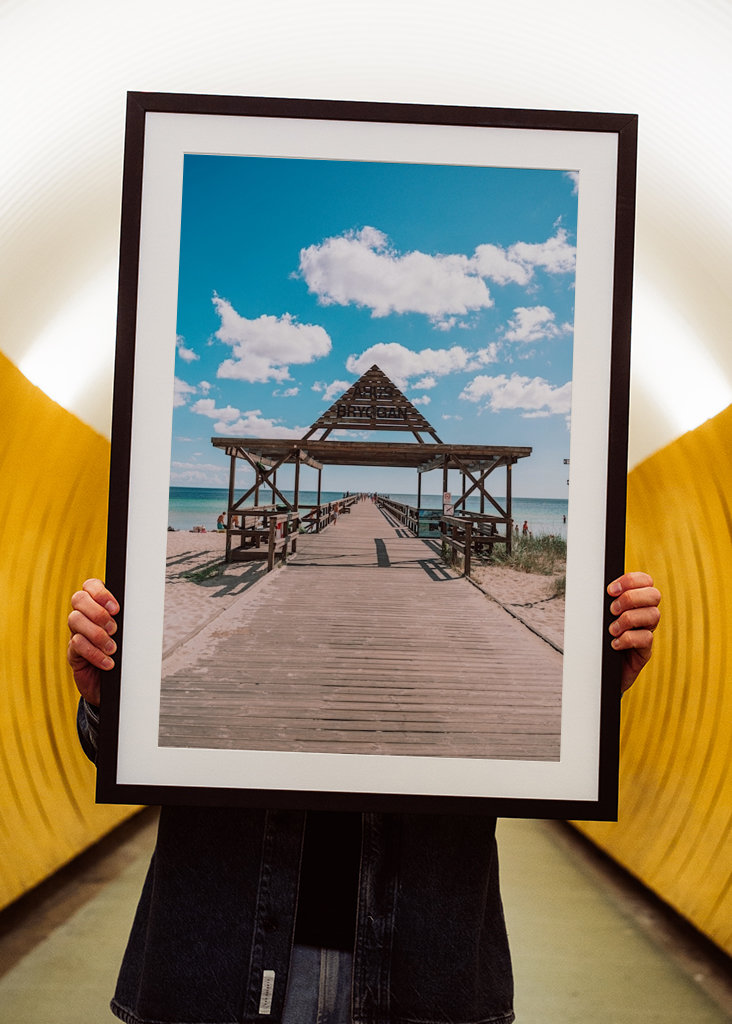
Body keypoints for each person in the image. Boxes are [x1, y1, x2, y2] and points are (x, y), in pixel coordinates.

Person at [68, 572, 660, 1024]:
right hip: (218, 957)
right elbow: (121, 753)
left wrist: (590, 698)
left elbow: (545, 755)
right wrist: (110, 703)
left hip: (422, 965)